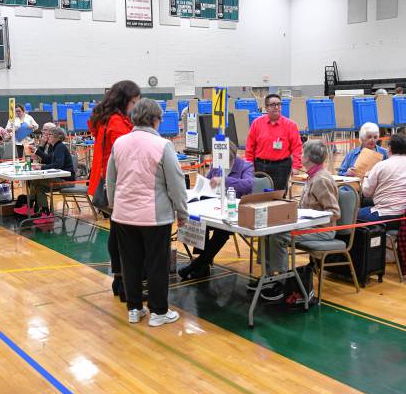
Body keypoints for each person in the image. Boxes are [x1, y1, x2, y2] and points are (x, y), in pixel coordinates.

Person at [107, 99, 188, 327]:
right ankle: (159, 312)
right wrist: (182, 211)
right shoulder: (162, 145)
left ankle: (134, 308)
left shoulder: (119, 143)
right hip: (153, 217)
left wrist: (115, 204)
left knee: (130, 263)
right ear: (155, 119)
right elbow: (176, 182)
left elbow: (110, 179)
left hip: (123, 215)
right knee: (156, 264)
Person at [262, 140, 341, 301]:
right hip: (307, 225)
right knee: (268, 232)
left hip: (322, 230)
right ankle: (269, 277)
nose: (300, 156)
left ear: (309, 158)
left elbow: (334, 212)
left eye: (303, 153)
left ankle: (282, 282)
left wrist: (308, 216)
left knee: (279, 236)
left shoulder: (321, 180)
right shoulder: (312, 176)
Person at [88, 80, 141, 299]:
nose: (135, 106)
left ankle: (119, 280)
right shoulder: (117, 123)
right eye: (134, 102)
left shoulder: (103, 118)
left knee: (117, 233)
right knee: (125, 238)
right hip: (117, 185)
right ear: (124, 100)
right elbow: (122, 156)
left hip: (105, 183)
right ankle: (125, 284)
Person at [178, 141, 254, 281]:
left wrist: (224, 180)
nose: (216, 162)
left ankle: (198, 264)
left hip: (234, 213)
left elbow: (248, 185)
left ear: (231, 157)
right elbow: (207, 183)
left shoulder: (245, 166)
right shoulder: (216, 165)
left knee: (222, 231)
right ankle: (202, 265)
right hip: (214, 208)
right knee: (199, 221)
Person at [358, 133, 406, 224]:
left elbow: (366, 193)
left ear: (389, 148)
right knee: (368, 203)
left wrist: (366, 177)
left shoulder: (381, 166)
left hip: (386, 215)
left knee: (352, 213)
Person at [245, 93, 303, 191]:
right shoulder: (257, 123)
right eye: (272, 105)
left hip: (282, 167)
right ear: (266, 108)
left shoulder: (290, 125)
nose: (276, 107)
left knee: (278, 196)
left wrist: (296, 166)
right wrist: (249, 166)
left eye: (279, 104)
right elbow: (250, 147)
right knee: (260, 194)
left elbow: (297, 147)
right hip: (260, 165)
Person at [26, 126, 75, 225]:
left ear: (57, 136)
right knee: (39, 187)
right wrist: (36, 150)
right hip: (60, 178)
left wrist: (42, 168)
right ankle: (45, 212)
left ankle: (30, 206)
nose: (48, 136)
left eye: (50, 134)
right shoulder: (55, 146)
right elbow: (48, 159)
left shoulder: (60, 146)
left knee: (35, 181)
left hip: (66, 180)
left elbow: (58, 164)